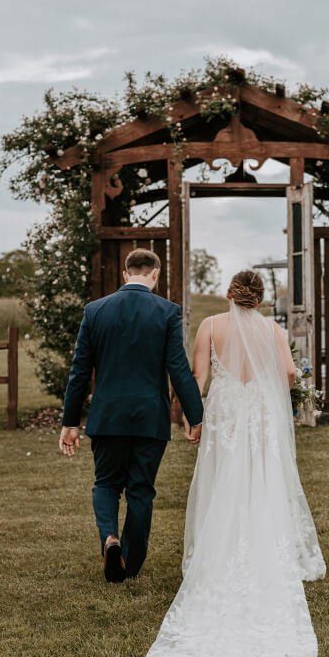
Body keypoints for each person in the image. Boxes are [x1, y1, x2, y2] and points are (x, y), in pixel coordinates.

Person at [143, 270, 326, 657]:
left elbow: (198, 378)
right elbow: (289, 374)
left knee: (223, 477)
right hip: (259, 414)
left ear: (230, 294)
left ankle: (220, 546)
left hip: (225, 413)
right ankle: (262, 540)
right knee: (261, 477)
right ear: (259, 300)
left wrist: (194, 420)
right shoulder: (274, 332)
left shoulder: (210, 327)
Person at [59, 248, 204, 584]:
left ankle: (109, 538)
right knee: (141, 489)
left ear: (125, 275)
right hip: (149, 418)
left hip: (107, 416)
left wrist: (70, 423)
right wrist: (195, 415)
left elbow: (79, 371)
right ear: (156, 274)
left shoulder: (95, 311)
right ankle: (131, 563)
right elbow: (178, 369)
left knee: (106, 483)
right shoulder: (168, 312)